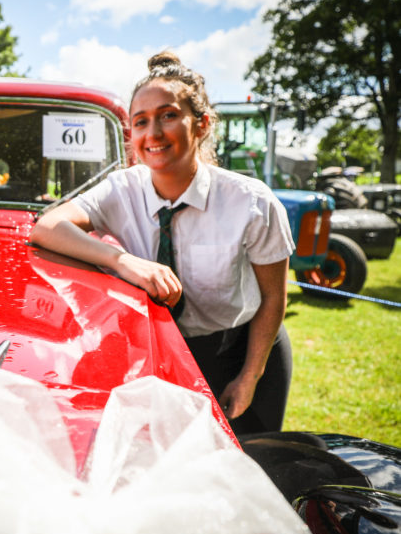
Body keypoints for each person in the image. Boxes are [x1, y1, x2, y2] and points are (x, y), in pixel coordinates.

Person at [30, 52, 294, 435]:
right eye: (141, 122)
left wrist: (250, 377)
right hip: (156, 355)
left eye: (168, 116)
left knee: (249, 471)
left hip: (239, 354)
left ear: (201, 124)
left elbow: (273, 298)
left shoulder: (252, 202)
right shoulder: (122, 189)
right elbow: (47, 226)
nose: (152, 132)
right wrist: (122, 261)